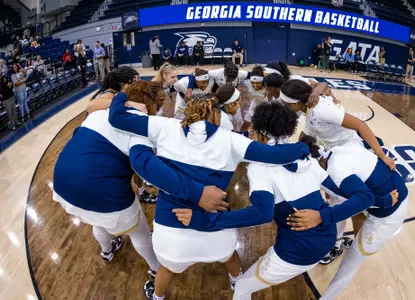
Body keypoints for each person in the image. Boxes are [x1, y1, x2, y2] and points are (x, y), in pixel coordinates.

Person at [107, 91, 311, 300]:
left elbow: (116, 118)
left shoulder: (164, 126)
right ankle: (235, 280)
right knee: (230, 255)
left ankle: (158, 297)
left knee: (166, 268)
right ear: (215, 115)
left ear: (188, 110)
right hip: (216, 232)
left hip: (171, 235)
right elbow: (275, 155)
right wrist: (303, 147)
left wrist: (121, 95)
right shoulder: (231, 140)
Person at [173, 103, 377, 300]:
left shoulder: (259, 167)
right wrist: (381, 199)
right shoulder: (304, 156)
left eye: (254, 128)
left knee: (242, 287)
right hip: (326, 237)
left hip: (299, 250)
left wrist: (203, 221)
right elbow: (355, 196)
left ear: (262, 132)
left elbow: (262, 213)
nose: (250, 131)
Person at [54, 79, 230, 289]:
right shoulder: (139, 124)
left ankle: (107, 251)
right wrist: (196, 193)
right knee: (139, 232)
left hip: (62, 186)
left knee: (97, 219)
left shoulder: (100, 112)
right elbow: (145, 166)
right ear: (149, 103)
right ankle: (156, 268)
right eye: (160, 101)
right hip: (104, 195)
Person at [288, 136, 407, 299]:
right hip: (385, 197)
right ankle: (351, 241)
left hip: (390, 214)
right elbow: (374, 140)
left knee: (349, 264)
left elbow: (364, 199)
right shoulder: (337, 149)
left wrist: (320, 217)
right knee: (346, 208)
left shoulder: (336, 171)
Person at [280, 79, 395, 170]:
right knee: (307, 145)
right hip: (334, 145)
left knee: (327, 173)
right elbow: (321, 84)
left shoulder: (321, 110)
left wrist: (383, 156)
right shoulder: (308, 108)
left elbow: (361, 125)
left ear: (294, 104)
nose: (284, 107)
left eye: (285, 104)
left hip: (348, 147)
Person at [242, 66, 266, 130]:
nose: (255, 85)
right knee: (245, 125)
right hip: (254, 105)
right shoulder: (247, 82)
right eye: (253, 82)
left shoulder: (268, 86)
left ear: (263, 81)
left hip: (267, 109)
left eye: (258, 83)